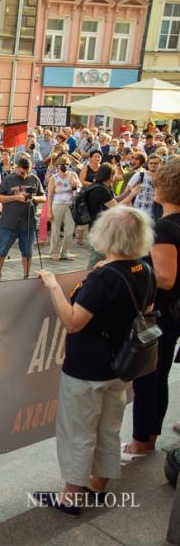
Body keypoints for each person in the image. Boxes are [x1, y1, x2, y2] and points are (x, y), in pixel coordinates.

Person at [35, 206, 155, 517]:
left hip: (87, 367)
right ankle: (98, 485)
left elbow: (74, 322)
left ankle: (72, 496)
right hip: (121, 365)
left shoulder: (104, 277)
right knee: (109, 427)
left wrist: (52, 286)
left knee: (78, 429)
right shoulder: (143, 270)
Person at [124, 158, 180, 460]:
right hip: (172, 315)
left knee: (148, 378)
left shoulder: (165, 228)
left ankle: (141, 440)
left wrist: (136, 270)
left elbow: (167, 278)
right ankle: (151, 435)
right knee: (159, 376)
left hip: (161, 314)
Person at [0, 157, 46, 281]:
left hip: (28, 222)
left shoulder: (34, 179)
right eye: (22, 172)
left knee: (27, 252)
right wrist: (16, 197)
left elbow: (43, 197)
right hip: (9, 222)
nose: (25, 174)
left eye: (27, 171)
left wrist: (33, 198)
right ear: (17, 168)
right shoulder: (8, 179)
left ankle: (26, 276)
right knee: (2, 250)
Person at [47, 155, 81, 261]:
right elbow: (50, 195)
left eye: (67, 164)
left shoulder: (73, 175)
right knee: (55, 230)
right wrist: (49, 211)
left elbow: (78, 191)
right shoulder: (54, 178)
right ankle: (54, 252)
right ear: (57, 166)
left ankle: (65, 252)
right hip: (57, 204)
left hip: (70, 205)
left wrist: (74, 184)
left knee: (70, 231)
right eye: (62, 164)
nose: (65, 166)